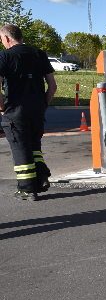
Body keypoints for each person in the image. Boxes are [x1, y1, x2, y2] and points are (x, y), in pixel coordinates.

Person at [0, 24, 57, 201]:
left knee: (20, 149)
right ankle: (41, 177)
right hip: (37, 110)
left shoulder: (5, 56)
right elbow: (52, 86)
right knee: (34, 147)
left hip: (15, 111)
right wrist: (43, 104)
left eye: (1, 39)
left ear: (7, 38)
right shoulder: (39, 54)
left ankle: (27, 189)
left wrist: (1, 108)